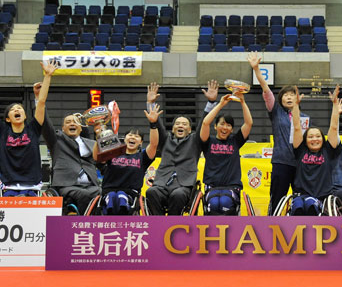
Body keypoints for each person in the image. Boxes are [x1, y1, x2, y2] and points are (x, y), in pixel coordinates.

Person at [0, 60, 58, 196]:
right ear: (7, 118)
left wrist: (48, 76)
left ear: (24, 116)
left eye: (20, 108)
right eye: (13, 109)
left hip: (32, 185)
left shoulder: (33, 129)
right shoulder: (2, 131)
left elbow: (41, 102)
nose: (17, 109)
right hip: (9, 185)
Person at [248, 51, 310, 215]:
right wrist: (256, 70)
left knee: (300, 200)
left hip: (301, 164)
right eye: (286, 95)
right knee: (277, 200)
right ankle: (273, 227)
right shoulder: (276, 112)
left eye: (292, 95)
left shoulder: (304, 118)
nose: (289, 97)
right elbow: (267, 90)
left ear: (297, 98)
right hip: (281, 162)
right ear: (281, 99)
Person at [145, 81, 218, 215]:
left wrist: (211, 102)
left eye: (184, 124)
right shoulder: (165, 139)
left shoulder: (195, 140)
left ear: (189, 129)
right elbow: (155, 121)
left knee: (177, 195)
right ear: (172, 129)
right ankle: (158, 224)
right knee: (151, 192)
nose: (181, 126)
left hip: (184, 185)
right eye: (177, 123)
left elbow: (204, 123)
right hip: (162, 182)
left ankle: (173, 224)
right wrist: (150, 103)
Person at [40, 89, 102, 216]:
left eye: (75, 122)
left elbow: (104, 159)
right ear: (63, 128)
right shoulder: (56, 140)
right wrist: (39, 100)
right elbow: (45, 123)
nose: (72, 124)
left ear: (80, 128)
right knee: (84, 195)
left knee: (104, 193)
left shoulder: (91, 143)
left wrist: (101, 134)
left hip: (92, 184)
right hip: (67, 185)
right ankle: (82, 221)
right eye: (68, 122)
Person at [96, 104, 162, 215]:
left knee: (121, 196)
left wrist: (153, 124)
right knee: (112, 196)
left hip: (130, 194)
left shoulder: (143, 157)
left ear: (141, 142)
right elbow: (99, 156)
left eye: (136, 136)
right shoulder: (113, 153)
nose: (132, 137)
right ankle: (110, 205)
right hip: (109, 191)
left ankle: (123, 205)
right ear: (124, 138)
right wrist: (99, 132)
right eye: (130, 135)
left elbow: (154, 144)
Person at [288, 88, 342, 216]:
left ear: (322, 138)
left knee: (310, 204)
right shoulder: (300, 150)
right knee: (298, 206)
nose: (314, 139)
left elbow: (334, 127)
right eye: (310, 136)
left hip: (321, 197)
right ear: (305, 140)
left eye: (318, 136)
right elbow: (297, 127)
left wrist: (335, 105)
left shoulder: (328, 151)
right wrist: (296, 106)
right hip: (300, 195)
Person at [198, 89, 253, 215]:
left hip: (231, 188)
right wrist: (221, 104)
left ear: (232, 129)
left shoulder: (235, 141)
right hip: (212, 188)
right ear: (216, 126)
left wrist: (243, 102)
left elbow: (249, 123)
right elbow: (205, 123)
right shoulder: (208, 142)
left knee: (224, 202)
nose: (225, 127)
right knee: (215, 204)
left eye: (229, 125)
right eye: (222, 124)